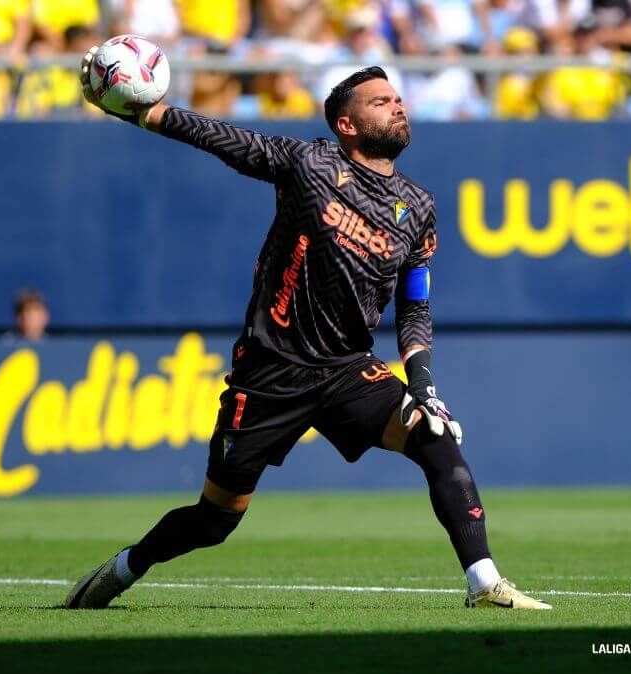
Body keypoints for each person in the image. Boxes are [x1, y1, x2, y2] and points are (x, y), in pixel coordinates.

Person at [64, 58, 552, 610]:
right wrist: (141, 112)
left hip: (348, 370)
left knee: (434, 439)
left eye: (397, 97)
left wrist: (422, 384)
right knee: (216, 519)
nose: (397, 104)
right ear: (346, 124)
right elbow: (220, 137)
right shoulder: (310, 165)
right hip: (271, 372)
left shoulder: (419, 207)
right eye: (379, 100)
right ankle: (127, 566)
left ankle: (484, 583)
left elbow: (415, 305)